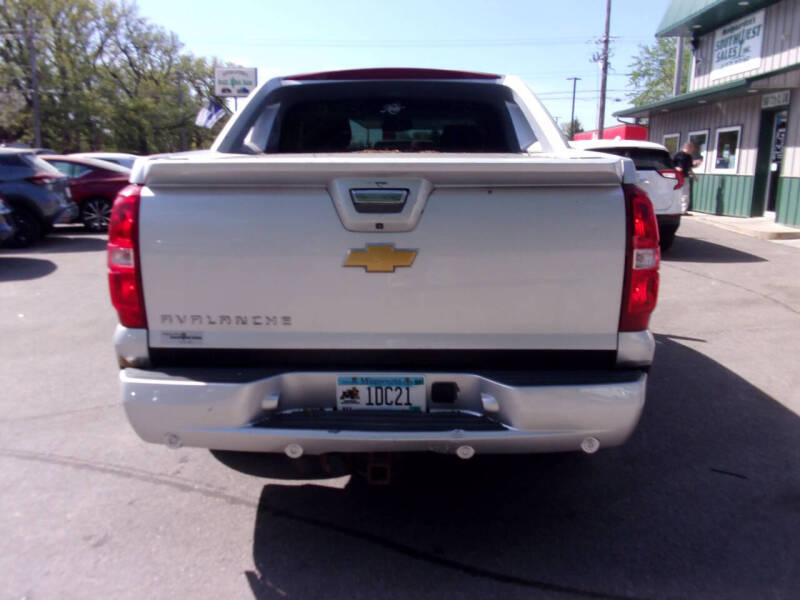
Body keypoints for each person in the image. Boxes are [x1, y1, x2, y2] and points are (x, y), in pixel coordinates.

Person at [673, 142, 697, 213]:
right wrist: (676, 168)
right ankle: (675, 208)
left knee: (685, 193)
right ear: (687, 147)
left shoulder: (689, 157)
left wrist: (694, 176)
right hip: (677, 176)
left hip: (685, 177)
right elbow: (670, 164)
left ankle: (683, 210)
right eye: (691, 148)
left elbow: (690, 168)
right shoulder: (678, 155)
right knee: (676, 192)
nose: (692, 150)